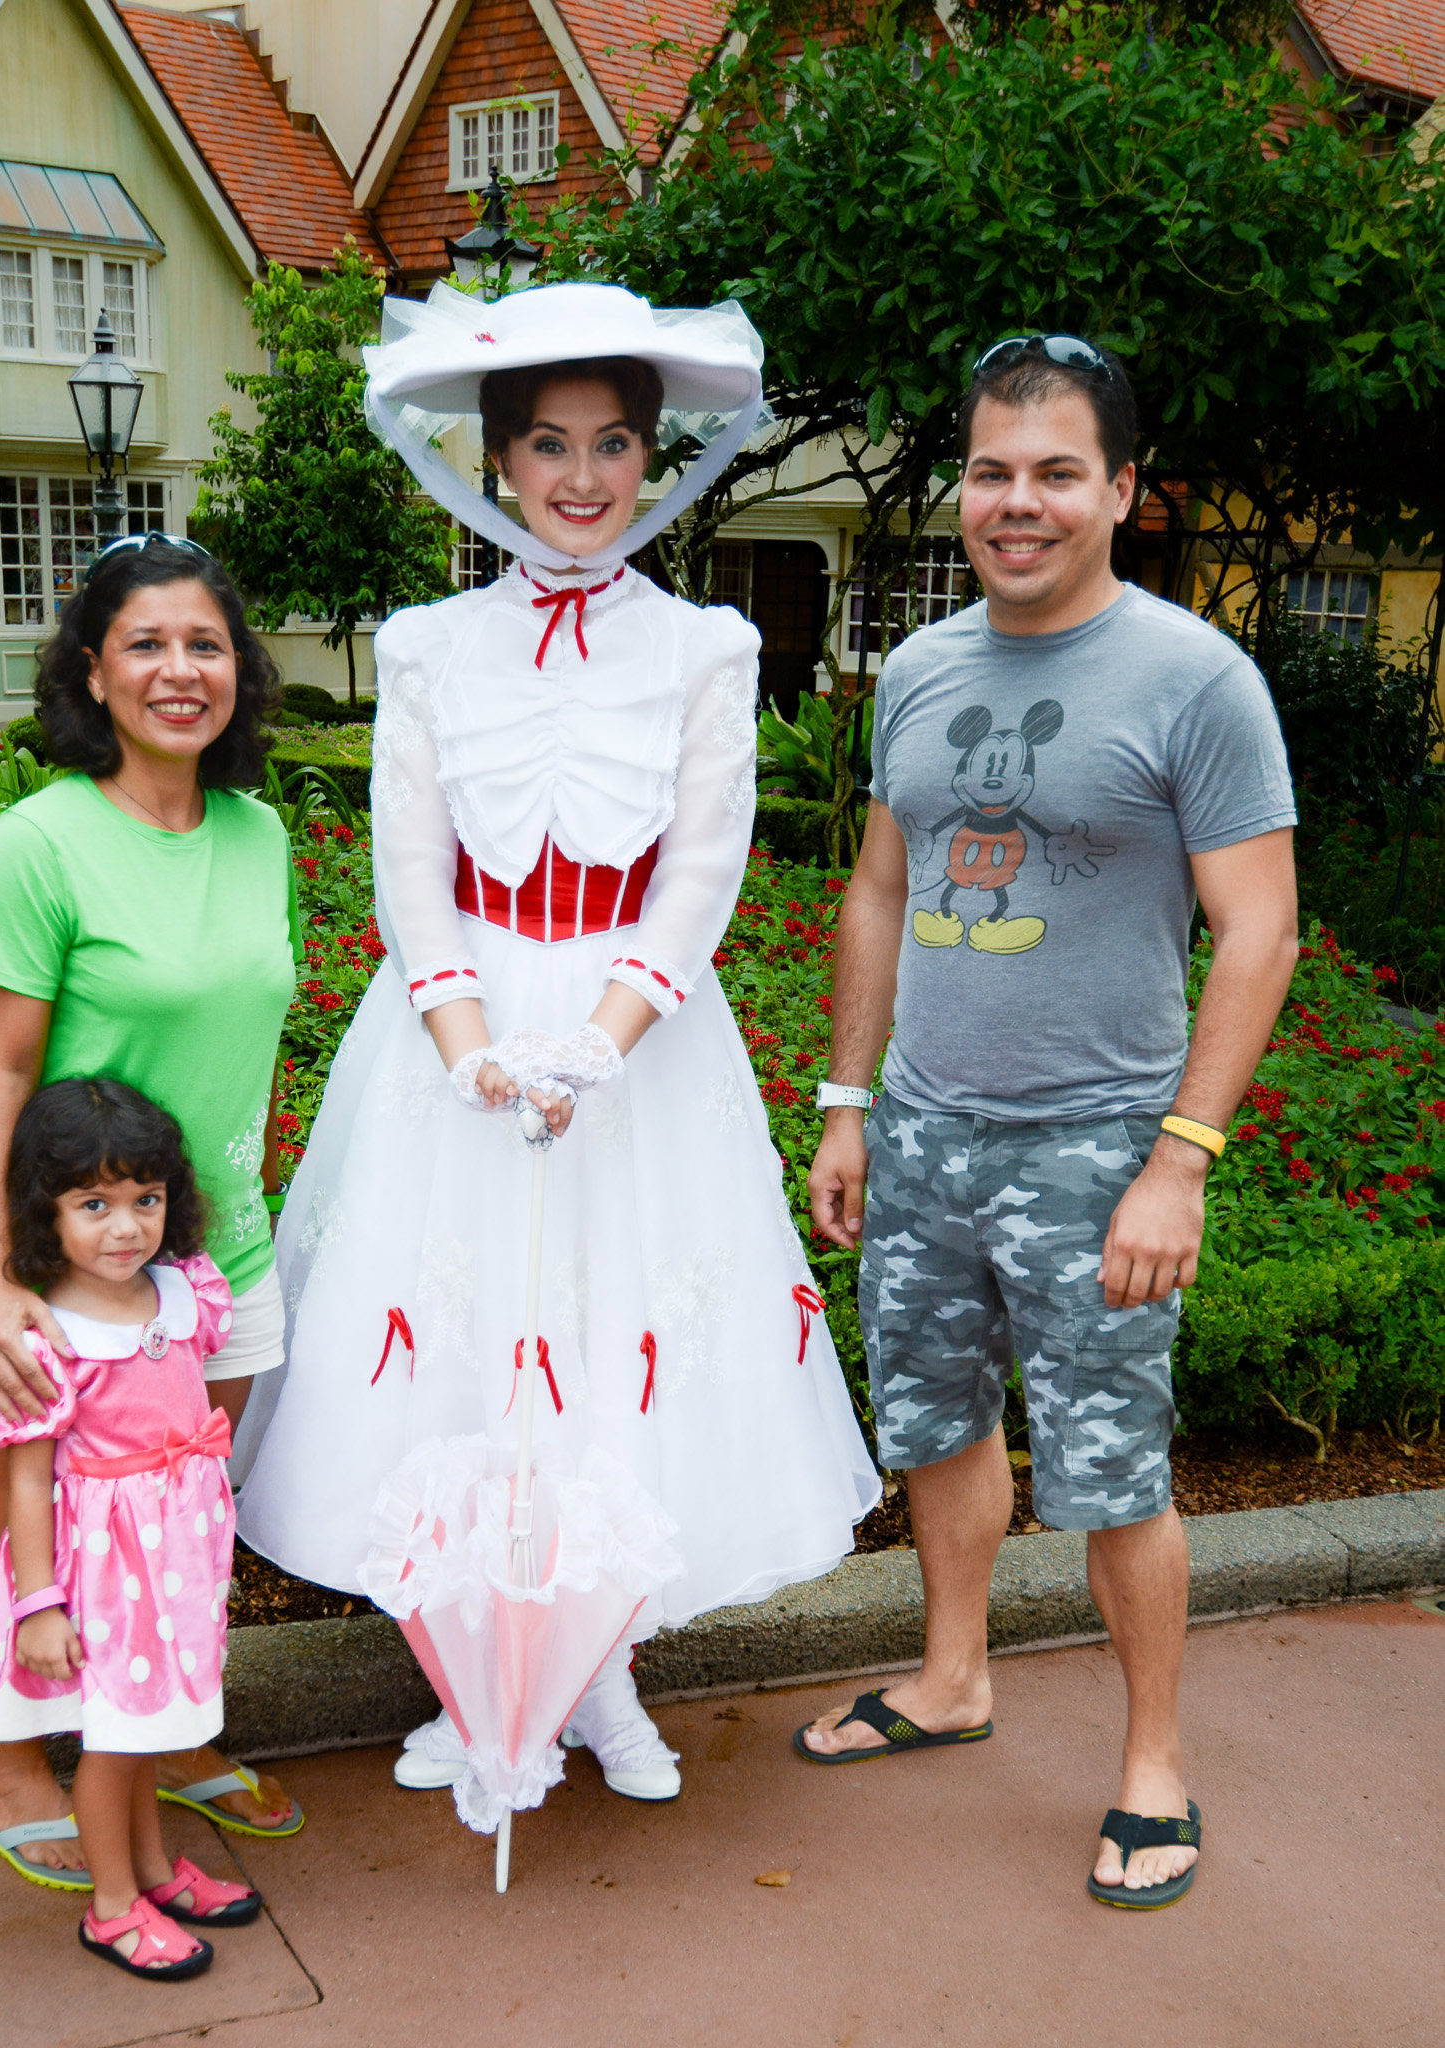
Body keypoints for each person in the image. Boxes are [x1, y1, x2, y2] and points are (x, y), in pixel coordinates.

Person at [236, 281, 881, 1802]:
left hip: (636, 1051)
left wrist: (597, 1046)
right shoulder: (428, 645)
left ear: (650, 458)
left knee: (607, 1355)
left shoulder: (706, 649)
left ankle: (601, 1680)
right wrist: (468, 1051)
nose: (579, 478)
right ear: (499, 458)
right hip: (449, 1042)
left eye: (608, 445)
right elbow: (410, 872)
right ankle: (473, 1678)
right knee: (457, 1359)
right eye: (545, 445)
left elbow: (699, 877)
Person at [799, 335, 1298, 1910]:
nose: (1018, 502)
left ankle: (1153, 1765)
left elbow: (1260, 930)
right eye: (993, 470)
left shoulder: (1195, 680)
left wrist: (1179, 1162)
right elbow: (882, 889)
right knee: (939, 1424)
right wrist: (844, 1103)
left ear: (1122, 489)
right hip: (928, 1134)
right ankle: (952, 1679)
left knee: (1112, 1472)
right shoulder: (922, 669)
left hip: (1098, 1148)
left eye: (1056, 471)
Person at [0, 535, 303, 1890]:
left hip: (217, 1263)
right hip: (64, 1270)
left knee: (176, 1513)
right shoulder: (35, 846)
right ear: (91, 670)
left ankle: (151, 1734)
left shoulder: (258, 832)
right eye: (145, 643)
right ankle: (12, 1763)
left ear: (237, 670)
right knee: (28, 1514)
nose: (178, 670)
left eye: (204, 644)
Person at [0, 1078, 262, 1979]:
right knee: (115, 1736)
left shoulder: (184, 1295)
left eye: (145, 1199)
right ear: (43, 1211)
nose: (126, 1226)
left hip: (173, 1554)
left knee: (150, 1728)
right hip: (102, 1566)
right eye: (94, 1203)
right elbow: (27, 1477)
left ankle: (157, 1871)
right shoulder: (51, 1330)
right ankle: (113, 1906)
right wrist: (41, 1602)